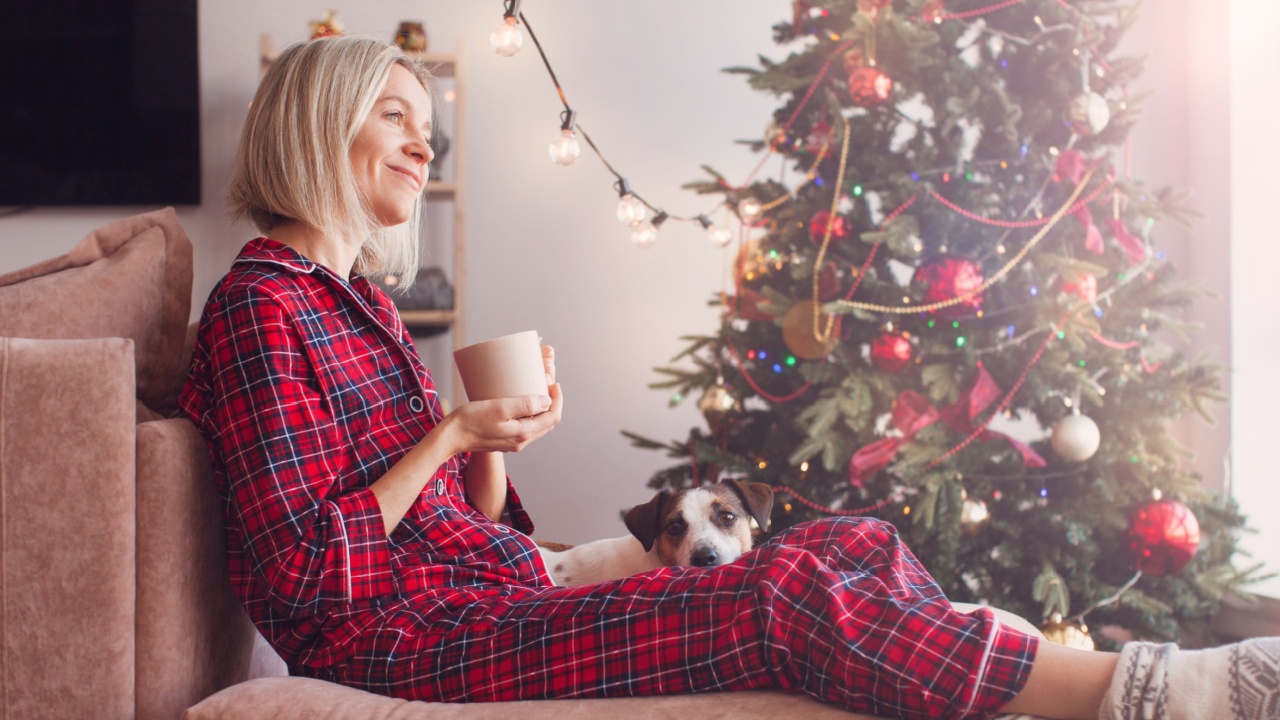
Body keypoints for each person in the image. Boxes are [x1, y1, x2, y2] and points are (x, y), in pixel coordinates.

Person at [181, 35, 1275, 720]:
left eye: (428, 127)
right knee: (787, 591)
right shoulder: (260, 307)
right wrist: (450, 438)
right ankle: (1161, 698)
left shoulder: (364, 305)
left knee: (844, 542)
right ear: (320, 122)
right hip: (405, 642)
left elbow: (472, 532)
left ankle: (984, 689)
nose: (425, 149)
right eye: (394, 119)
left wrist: (490, 452)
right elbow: (306, 580)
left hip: (488, 594)